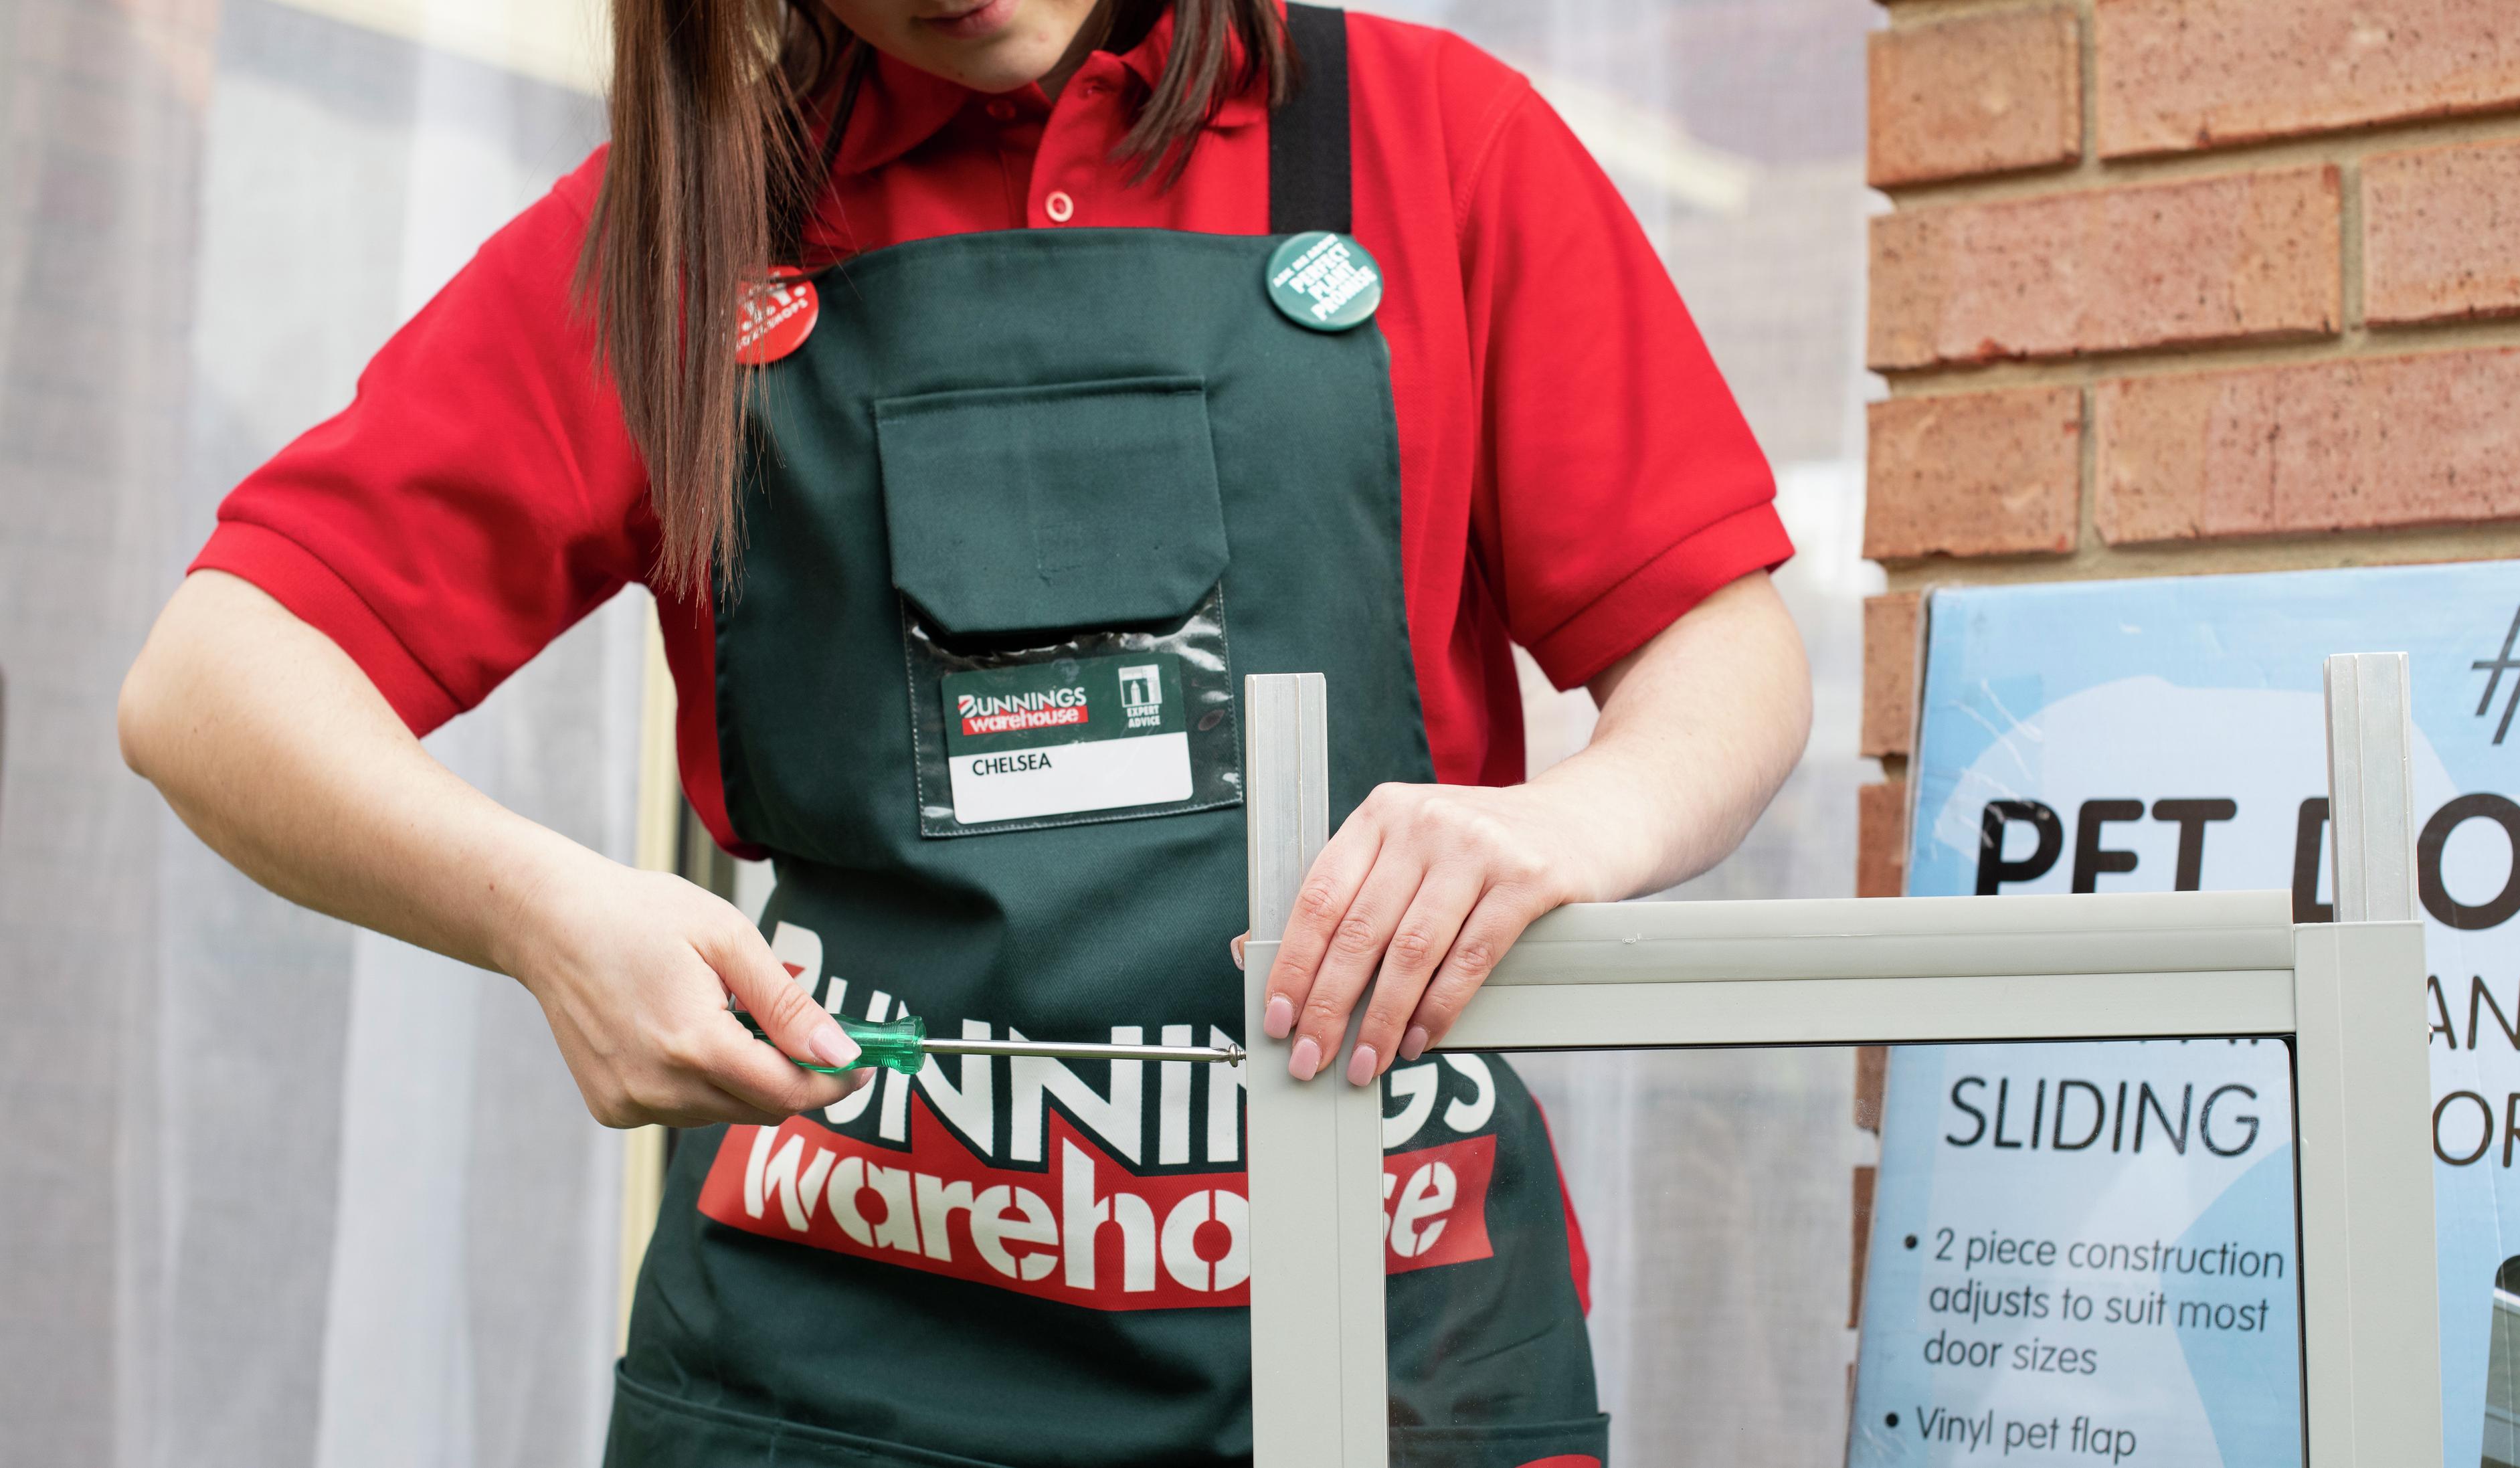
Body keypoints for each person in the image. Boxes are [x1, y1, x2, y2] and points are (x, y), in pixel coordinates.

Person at [117, 1, 1811, 1463]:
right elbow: (214, 678)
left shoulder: (1437, 145)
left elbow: (1722, 657)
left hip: (1395, 1352)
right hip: (830, 1382)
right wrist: (538, 907)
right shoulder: (687, 235)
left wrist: (1570, 826)